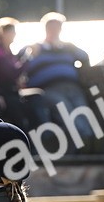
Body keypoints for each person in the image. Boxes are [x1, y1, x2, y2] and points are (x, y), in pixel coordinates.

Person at [20, 12, 92, 140]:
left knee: (83, 112)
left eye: (57, 27)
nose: (54, 30)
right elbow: (19, 64)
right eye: (51, 27)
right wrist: (30, 52)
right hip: (49, 89)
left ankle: (89, 140)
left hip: (72, 87)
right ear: (46, 29)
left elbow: (84, 57)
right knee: (67, 113)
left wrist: (70, 48)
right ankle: (81, 139)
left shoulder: (68, 47)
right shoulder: (36, 47)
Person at [0, 17, 31, 130]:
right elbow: (12, 73)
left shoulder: (9, 52)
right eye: (12, 32)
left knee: (35, 99)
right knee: (18, 114)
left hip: (12, 91)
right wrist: (27, 59)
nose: (14, 34)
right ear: (3, 33)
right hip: (1, 93)